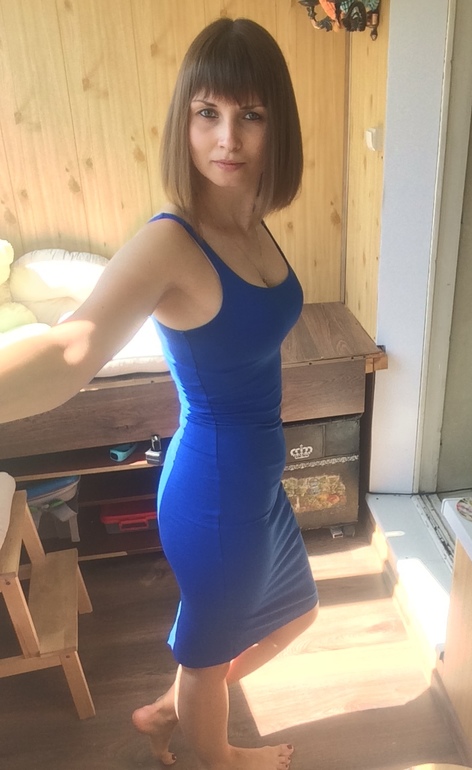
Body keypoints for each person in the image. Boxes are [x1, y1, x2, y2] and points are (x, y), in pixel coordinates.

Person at [0, 17, 319, 770]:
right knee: (208, 654)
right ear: (185, 120)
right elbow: (71, 345)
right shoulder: (171, 242)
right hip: (215, 494)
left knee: (296, 614)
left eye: (250, 115)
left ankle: (166, 711)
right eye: (208, 113)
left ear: (277, 124)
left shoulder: (251, 221)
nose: (227, 138)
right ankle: (221, 755)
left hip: (254, 483)